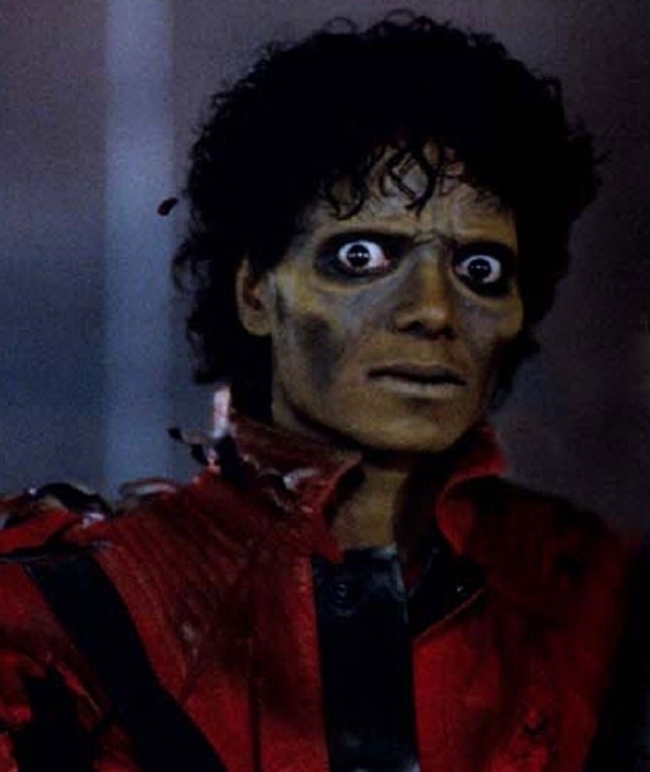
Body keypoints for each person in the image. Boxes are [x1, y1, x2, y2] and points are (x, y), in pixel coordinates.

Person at [0, 13, 644, 772]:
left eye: (481, 271)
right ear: (255, 291)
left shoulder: (599, 601)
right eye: (362, 256)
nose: (434, 310)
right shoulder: (68, 609)